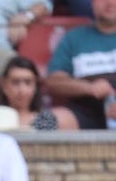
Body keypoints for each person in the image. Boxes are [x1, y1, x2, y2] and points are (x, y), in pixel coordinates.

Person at [45, 0, 116, 129]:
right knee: (45, 121)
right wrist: (90, 88)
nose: (110, 2)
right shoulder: (74, 38)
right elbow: (53, 82)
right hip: (84, 112)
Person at [0, 55, 79, 128]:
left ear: (35, 86)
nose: (22, 90)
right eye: (15, 82)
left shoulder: (51, 119)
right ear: (4, 86)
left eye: (28, 82)